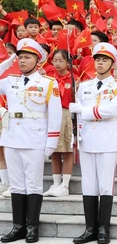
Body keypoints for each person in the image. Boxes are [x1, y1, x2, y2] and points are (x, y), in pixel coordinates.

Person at [0, 39, 61, 244]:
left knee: (33, 184)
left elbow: (54, 115)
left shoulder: (47, 83)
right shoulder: (10, 81)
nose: (23, 61)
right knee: (16, 185)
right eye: (20, 57)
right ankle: (18, 226)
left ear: (38, 60)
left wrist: (51, 142)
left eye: (27, 57)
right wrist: (7, 63)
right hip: (12, 137)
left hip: (35, 138)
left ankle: (32, 227)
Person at [70, 43, 117, 244]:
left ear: (112, 63)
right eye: (97, 59)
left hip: (107, 141)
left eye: (105, 60)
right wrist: (75, 136)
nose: (100, 63)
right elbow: (77, 118)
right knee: (89, 186)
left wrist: (81, 110)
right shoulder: (84, 86)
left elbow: (110, 112)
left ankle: (103, 228)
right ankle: (90, 228)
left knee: (105, 186)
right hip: (87, 140)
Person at [43, 49, 74, 197]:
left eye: (61, 60)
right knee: (54, 151)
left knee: (67, 149)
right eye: (54, 60)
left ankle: (65, 184)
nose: (57, 63)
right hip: (52, 115)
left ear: (68, 62)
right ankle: (55, 183)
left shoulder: (73, 79)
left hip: (67, 114)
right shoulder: (49, 80)